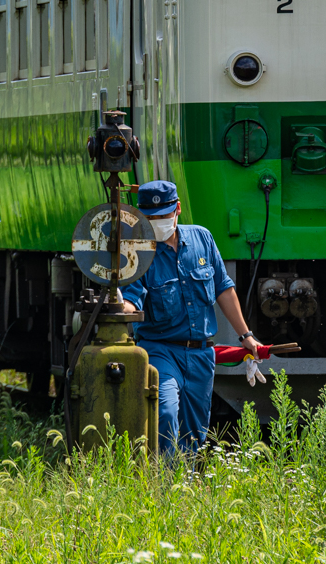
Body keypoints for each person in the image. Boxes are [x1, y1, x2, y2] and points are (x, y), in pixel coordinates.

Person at [121, 180, 262, 454]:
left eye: (164, 215)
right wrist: (118, 304)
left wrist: (246, 336)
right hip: (160, 350)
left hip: (200, 355)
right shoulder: (137, 253)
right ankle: (163, 482)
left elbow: (223, 288)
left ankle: (182, 487)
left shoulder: (202, 238)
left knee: (194, 433)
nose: (158, 222)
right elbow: (131, 300)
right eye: (150, 218)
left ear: (178, 209)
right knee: (165, 411)